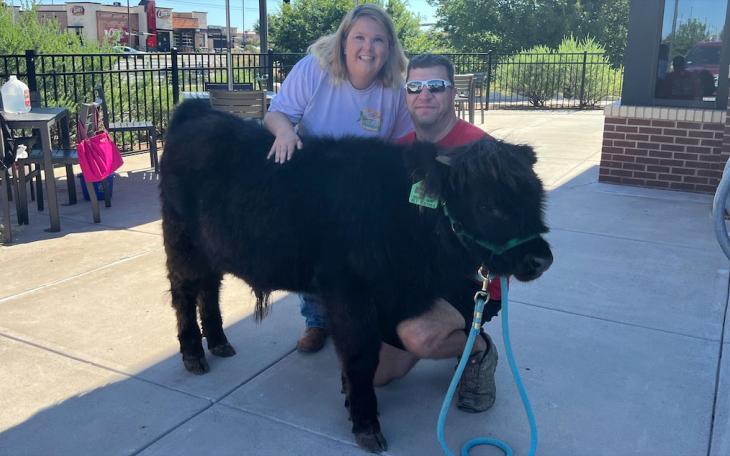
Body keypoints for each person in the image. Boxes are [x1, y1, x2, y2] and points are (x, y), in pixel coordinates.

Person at [263, 4, 413, 353]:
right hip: (315, 180)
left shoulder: (394, 89)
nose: (368, 47)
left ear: (389, 48)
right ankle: (316, 321)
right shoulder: (314, 70)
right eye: (359, 37)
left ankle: (358, 314)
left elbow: (405, 144)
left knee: (360, 259)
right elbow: (278, 113)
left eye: (378, 40)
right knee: (315, 255)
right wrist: (284, 133)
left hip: (364, 188)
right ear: (344, 41)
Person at [375, 53, 503, 413]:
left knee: (417, 335)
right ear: (407, 96)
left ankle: (478, 349)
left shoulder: (483, 152)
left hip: (471, 279)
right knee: (375, 375)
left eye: (436, 86)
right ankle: (422, 335)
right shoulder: (397, 153)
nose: (424, 94)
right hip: (415, 276)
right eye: (415, 87)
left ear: (452, 94)